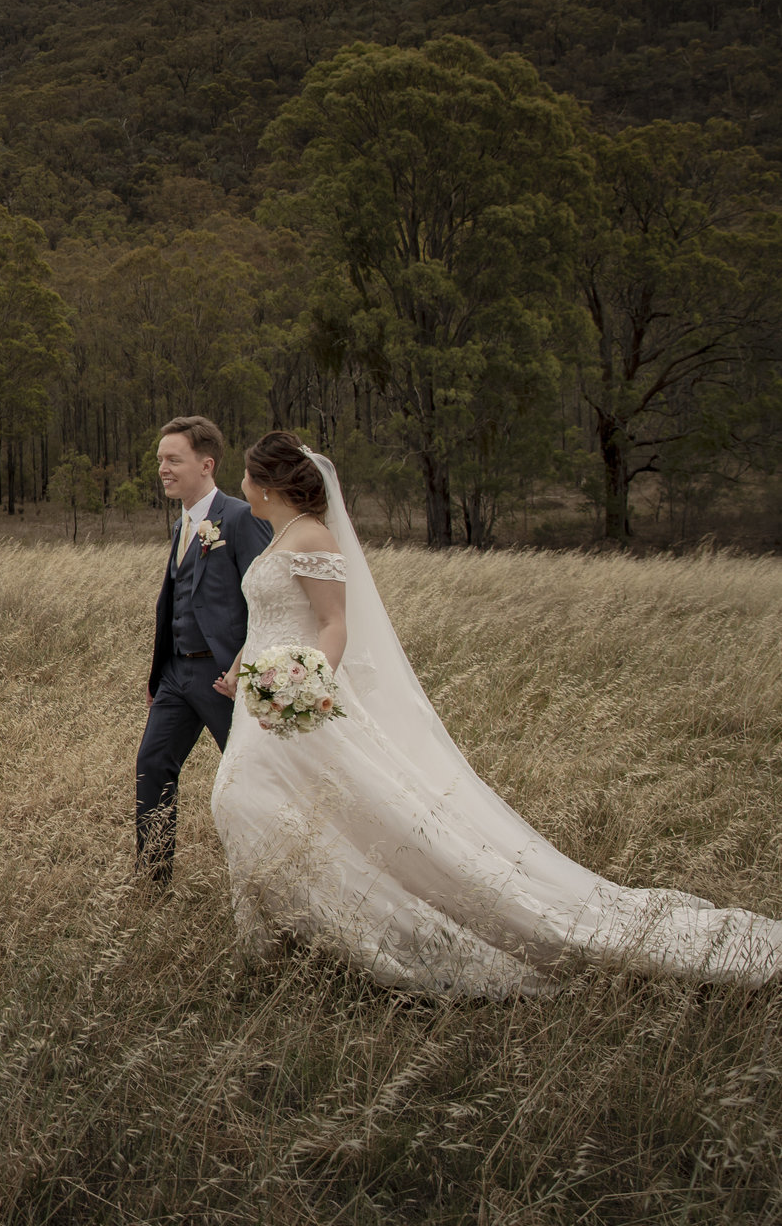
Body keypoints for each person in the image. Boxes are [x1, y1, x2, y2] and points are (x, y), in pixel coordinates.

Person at [209, 431, 782, 995]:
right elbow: (269, 622)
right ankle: (275, 942)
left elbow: (334, 625)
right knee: (253, 804)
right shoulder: (279, 536)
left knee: (259, 802)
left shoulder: (312, 538)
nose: (240, 482)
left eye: (245, 473)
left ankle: (345, 932)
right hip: (264, 699)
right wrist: (241, 672)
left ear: (268, 482)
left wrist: (303, 689)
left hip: (296, 706)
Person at [137, 416, 272, 885]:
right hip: (176, 675)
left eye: (174, 459)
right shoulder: (183, 525)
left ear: (207, 464)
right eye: (160, 460)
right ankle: (152, 881)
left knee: (250, 778)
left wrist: (243, 669)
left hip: (223, 677)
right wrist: (159, 675)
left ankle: (271, 877)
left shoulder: (239, 518)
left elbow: (266, 599)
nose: (163, 468)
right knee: (153, 766)